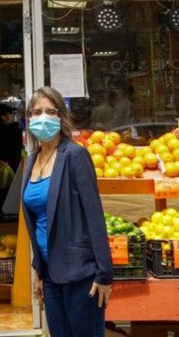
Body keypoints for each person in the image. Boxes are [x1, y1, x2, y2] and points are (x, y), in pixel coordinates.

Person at [21, 87, 114, 337]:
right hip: (50, 273)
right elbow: (37, 221)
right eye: (37, 111)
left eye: (50, 111)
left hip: (81, 274)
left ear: (61, 117)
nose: (43, 117)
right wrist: (38, 270)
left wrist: (104, 273)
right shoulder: (31, 159)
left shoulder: (74, 155)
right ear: (28, 119)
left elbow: (94, 215)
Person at [0, 103, 23, 219]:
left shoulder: (17, 129)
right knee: (2, 194)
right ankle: (2, 217)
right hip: (1, 169)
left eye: (11, 113)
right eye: (8, 114)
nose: (10, 116)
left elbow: (20, 148)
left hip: (16, 167)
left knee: (15, 193)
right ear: (2, 116)